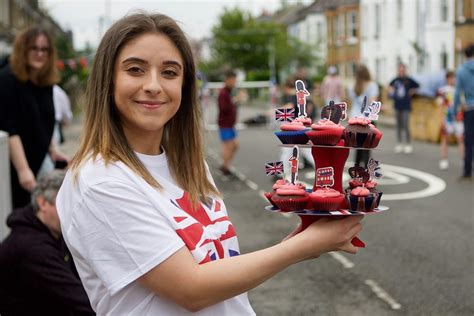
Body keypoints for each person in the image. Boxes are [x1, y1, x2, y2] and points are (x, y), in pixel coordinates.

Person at [56, 13, 363, 315]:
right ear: (107, 81)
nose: (153, 85)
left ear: (185, 85)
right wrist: (301, 248)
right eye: (135, 69)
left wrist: (297, 240)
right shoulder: (101, 181)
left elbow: (213, 267)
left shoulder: (187, 165)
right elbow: (192, 289)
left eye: (170, 72)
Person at [0, 170, 94, 315]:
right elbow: (76, 300)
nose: (72, 210)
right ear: (43, 203)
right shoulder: (31, 248)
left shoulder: (54, 232)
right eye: (64, 203)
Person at [0, 26, 68, 209]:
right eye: (34, 48)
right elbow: (9, 127)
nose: (40, 54)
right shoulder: (7, 79)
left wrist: (53, 150)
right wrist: (23, 170)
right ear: (24, 50)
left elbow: (45, 121)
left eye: (44, 49)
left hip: (38, 159)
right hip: (13, 164)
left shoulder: (44, 82)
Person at [347, 64, 379, 168]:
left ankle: (356, 171)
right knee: (367, 147)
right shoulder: (372, 85)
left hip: (355, 118)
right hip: (367, 119)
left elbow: (351, 101)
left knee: (358, 146)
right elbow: (372, 102)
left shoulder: (352, 86)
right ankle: (365, 172)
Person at [217, 70, 244, 177]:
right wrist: (236, 99)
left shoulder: (228, 92)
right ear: (227, 80)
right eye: (233, 80)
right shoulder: (223, 93)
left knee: (235, 145)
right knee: (228, 147)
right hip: (225, 125)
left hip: (230, 125)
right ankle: (225, 168)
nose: (234, 82)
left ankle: (225, 164)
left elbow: (232, 107)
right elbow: (224, 108)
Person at [388, 63, 420, 154]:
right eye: (400, 69)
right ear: (398, 70)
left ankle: (408, 144)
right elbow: (389, 86)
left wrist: (412, 91)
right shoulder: (395, 80)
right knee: (398, 125)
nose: (401, 71)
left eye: (403, 69)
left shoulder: (409, 80)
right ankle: (399, 143)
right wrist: (391, 91)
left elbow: (417, 86)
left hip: (406, 105)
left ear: (405, 70)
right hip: (397, 105)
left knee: (406, 125)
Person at [436, 71, 464, 170]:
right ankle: (444, 159)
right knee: (445, 139)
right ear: (447, 79)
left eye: (454, 78)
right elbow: (439, 106)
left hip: (458, 118)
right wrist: (441, 120)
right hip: (447, 118)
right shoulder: (442, 91)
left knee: (460, 139)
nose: (453, 80)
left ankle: (463, 160)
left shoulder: (459, 90)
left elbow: (462, 104)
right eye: (451, 78)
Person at [454, 44, 474, 180]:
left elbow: (457, 93)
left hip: (468, 109)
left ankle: (467, 170)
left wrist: (455, 109)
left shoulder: (461, 70)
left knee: (468, 140)